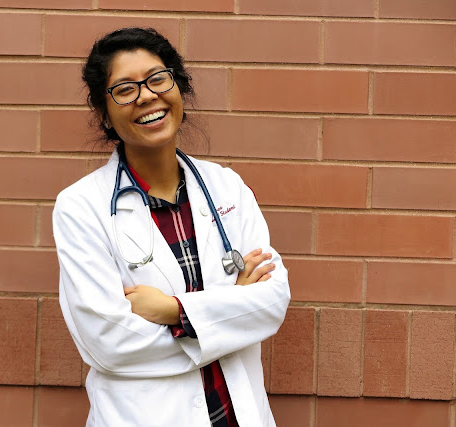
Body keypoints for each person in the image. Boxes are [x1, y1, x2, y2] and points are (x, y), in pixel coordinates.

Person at [53, 27, 290, 427]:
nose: (147, 96)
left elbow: (271, 303)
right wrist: (230, 315)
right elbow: (108, 342)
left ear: (178, 86)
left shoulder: (226, 186)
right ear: (104, 113)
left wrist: (173, 311)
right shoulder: (81, 207)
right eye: (125, 89)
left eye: (157, 79)